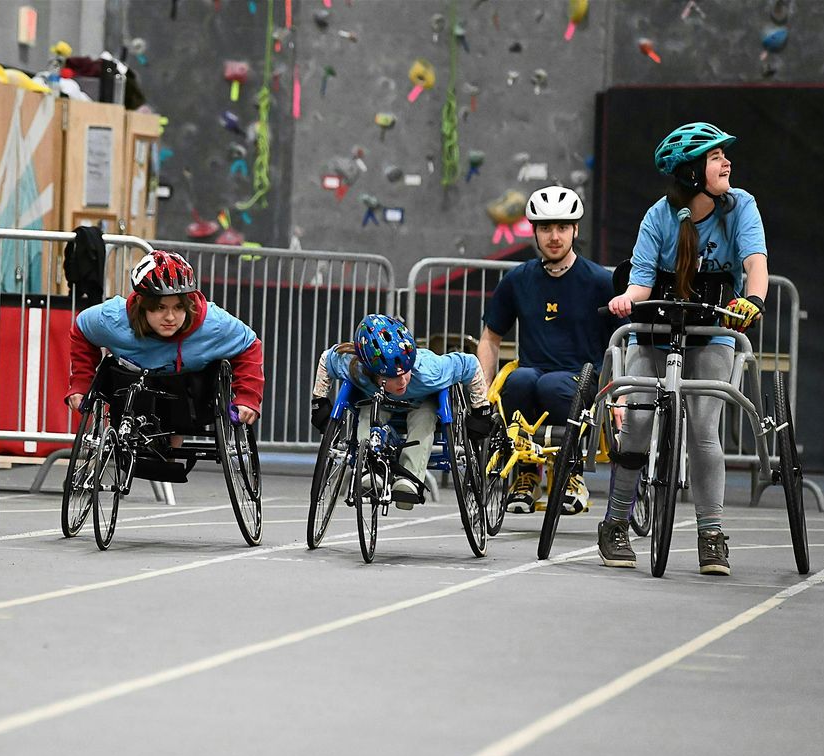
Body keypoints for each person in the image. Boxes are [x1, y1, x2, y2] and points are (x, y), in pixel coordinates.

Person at [602, 122, 768, 574]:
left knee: (703, 430)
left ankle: (711, 534)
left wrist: (753, 300)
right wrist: (624, 299)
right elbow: (638, 286)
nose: (726, 162)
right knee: (635, 424)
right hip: (654, 334)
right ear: (693, 172)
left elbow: (755, 266)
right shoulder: (657, 217)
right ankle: (615, 524)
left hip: (711, 332)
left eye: (724, 156)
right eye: (716, 157)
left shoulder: (741, 207)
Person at [477, 186, 618, 515]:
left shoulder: (600, 281)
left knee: (551, 385)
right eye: (545, 228)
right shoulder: (517, 279)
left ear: (575, 230)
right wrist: (482, 389)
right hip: (533, 372)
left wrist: (619, 397)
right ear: (535, 232)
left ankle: (570, 474)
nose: (554, 236)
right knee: (520, 381)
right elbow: (490, 337)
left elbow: (619, 344)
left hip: (581, 378)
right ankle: (526, 474)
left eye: (562, 227)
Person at [65, 249, 264, 432]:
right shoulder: (112, 318)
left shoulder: (214, 324)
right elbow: (81, 329)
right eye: (160, 308)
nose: (170, 317)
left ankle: (170, 454)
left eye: (178, 308)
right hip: (131, 388)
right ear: (142, 304)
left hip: (188, 394)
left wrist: (247, 397)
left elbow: (249, 346)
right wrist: (82, 383)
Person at [310, 314, 493, 510]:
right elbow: (326, 359)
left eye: (404, 372)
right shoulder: (355, 367)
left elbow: (471, 365)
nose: (402, 381)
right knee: (366, 414)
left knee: (424, 418)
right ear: (372, 371)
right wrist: (319, 401)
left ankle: (409, 479)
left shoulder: (430, 371)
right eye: (392, 377)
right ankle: (369, 470)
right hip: (376, 401)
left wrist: (480, 409)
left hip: (421, 401)